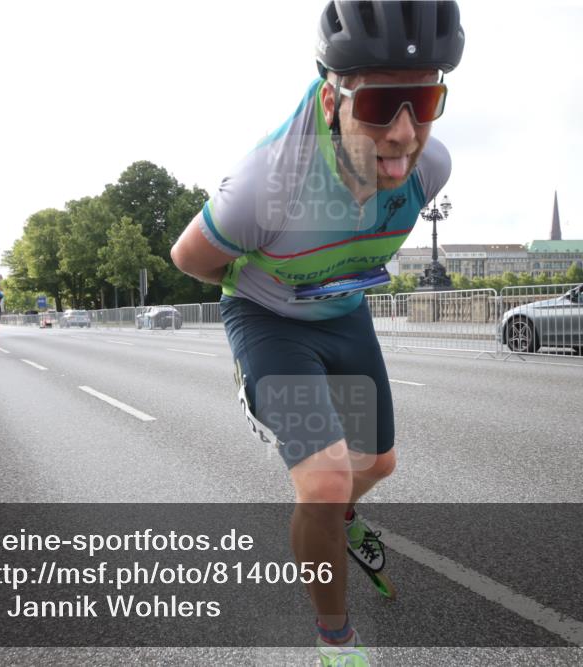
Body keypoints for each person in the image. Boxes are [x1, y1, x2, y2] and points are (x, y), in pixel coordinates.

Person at [170, 2, 464, 664]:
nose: (404, 131)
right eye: (382, 103)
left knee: (377, 464)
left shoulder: (432, 167)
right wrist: (271, 279)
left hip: (344, 311)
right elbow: (190, 259)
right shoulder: (265, 184)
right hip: (268, 317)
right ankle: (337, 642)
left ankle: (341, 516)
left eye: (423, 98)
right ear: (333, 98)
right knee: (326, 482)